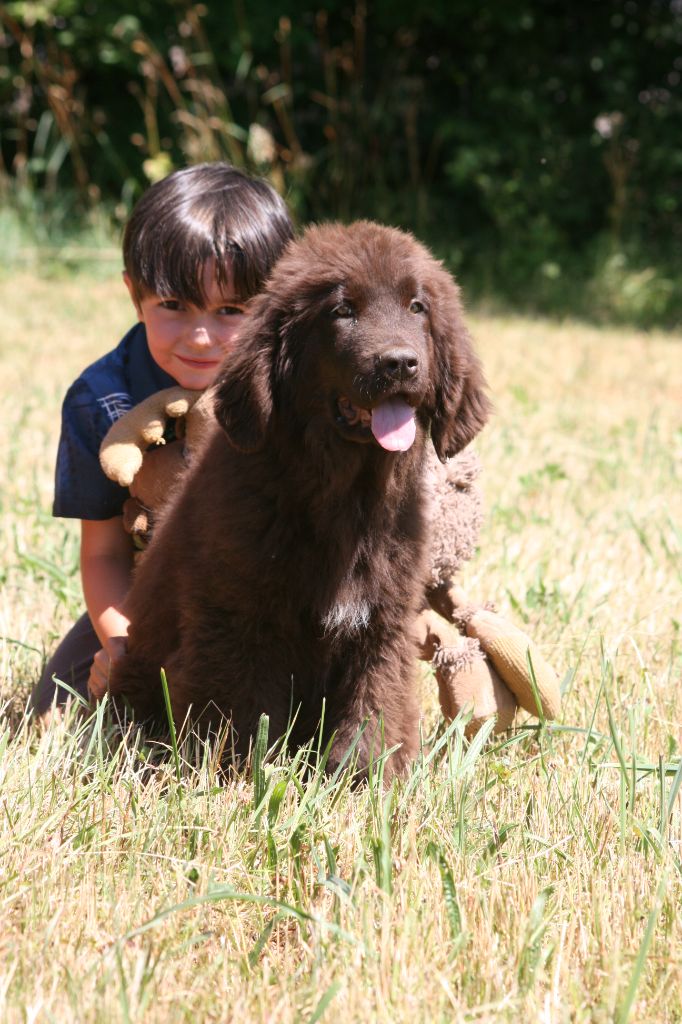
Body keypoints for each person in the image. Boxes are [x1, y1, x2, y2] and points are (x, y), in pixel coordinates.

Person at [30, 162, 295, 716]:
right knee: (53, 708)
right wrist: (121, 642)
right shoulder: (99, 399)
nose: (201, 337)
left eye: (231, 311)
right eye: (174, 306)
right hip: (147, 595)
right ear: (135, 294)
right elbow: (104, 553)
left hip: (276, 596)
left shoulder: (296, 386)